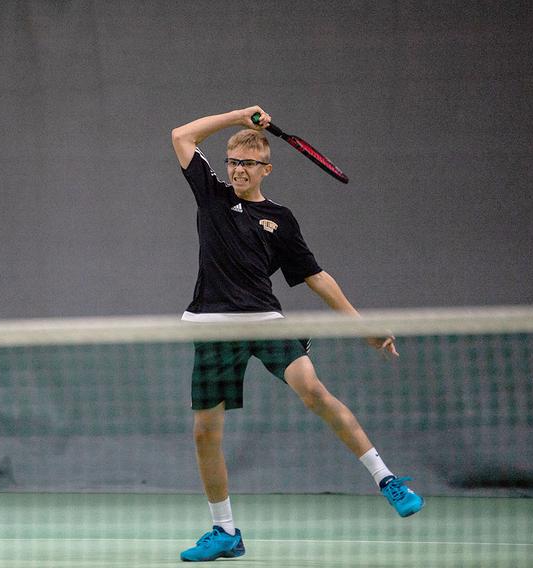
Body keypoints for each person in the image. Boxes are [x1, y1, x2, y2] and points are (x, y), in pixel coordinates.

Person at [170, 105, 423, 562]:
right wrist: (237, 120)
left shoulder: (280, 219)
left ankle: (387, 478)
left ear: (266, 167)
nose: (238, 170)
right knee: (205, 434)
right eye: (232, 162)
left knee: (312, 389)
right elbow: (181, 136)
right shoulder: (211, 194)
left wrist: (360, 323)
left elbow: (316, 276)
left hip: (265, 321)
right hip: (212, 326)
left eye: (248, 163)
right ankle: (225, 531)